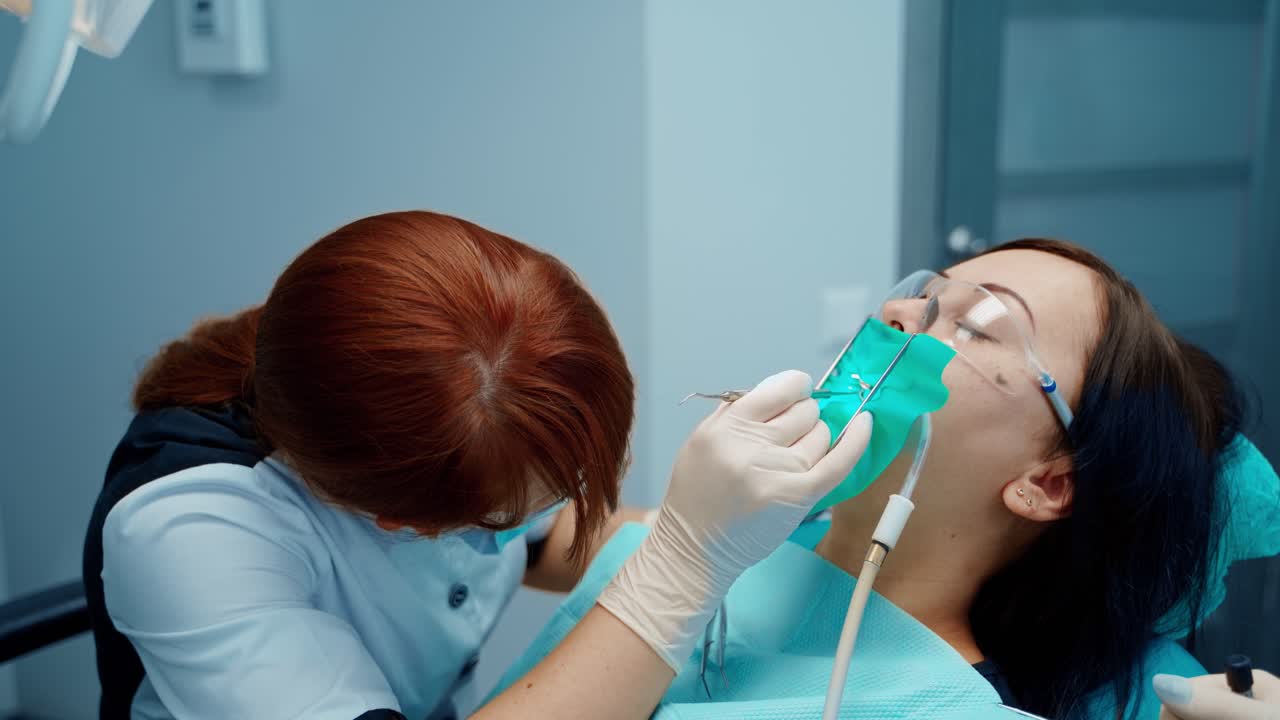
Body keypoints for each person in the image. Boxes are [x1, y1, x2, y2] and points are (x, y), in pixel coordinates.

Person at [84, 210, 872, 720]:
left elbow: (543, 538)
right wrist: (683, 566)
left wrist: (735, 531)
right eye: (506, 512)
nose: (541, 514)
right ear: (400, 521)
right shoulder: (189, 532)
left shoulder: (444, 395)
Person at [492, 238, 1279, 720]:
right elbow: (548, 542)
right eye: (924, 294)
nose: (901, 316)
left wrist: (676, 566)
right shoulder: (730, 549)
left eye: (977, 324)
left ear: (1047, 484)